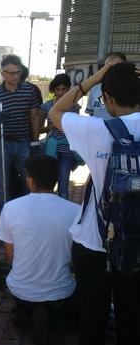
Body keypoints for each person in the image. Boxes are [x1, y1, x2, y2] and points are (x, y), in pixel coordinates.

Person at [49, 62, 140, 345]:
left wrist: (94, 80)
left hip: (95, 241)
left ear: (109, 99)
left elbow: (55, 112)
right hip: (136, 245)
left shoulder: (97, 130)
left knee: (92, 318)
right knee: (133, 320)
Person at [0, 155, 79, 344]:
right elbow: (76, 260)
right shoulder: (75, 211)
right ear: (56, 179)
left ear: (30, 179)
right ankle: (49, 313)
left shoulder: (10, 208)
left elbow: (10, 257)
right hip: (61, 290)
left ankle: (28, 308)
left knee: (23, 292)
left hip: (20, 288)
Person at [0, 54, 41, 208]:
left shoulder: (29, 91)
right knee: (3, 182)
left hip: (23, 142)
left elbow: (34, 117)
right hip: (2, 143)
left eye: (18, 72)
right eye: (12, 73)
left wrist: (35, 141)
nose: (16, 76)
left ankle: (29, 213)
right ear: (3, 74)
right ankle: (5, 217)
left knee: (29, 180)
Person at [40, 74, 81, 199]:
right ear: (53, 90)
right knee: (47, 184)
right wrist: (52, 127)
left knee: (63, 186)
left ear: (68, 89)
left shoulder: (74, 106)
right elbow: (40, 128)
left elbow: (74, 127)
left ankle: (63, 213)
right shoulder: (46, 105)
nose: (61, 92)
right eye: (58, 89)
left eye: (63, 89)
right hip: (50, 149)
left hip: (67, 149)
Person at [85, 52, 127, 120]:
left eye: (116, 67)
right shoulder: (95, 88)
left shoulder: (133, 89)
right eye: (107, 67)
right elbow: (91, 114)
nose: (111, 70)